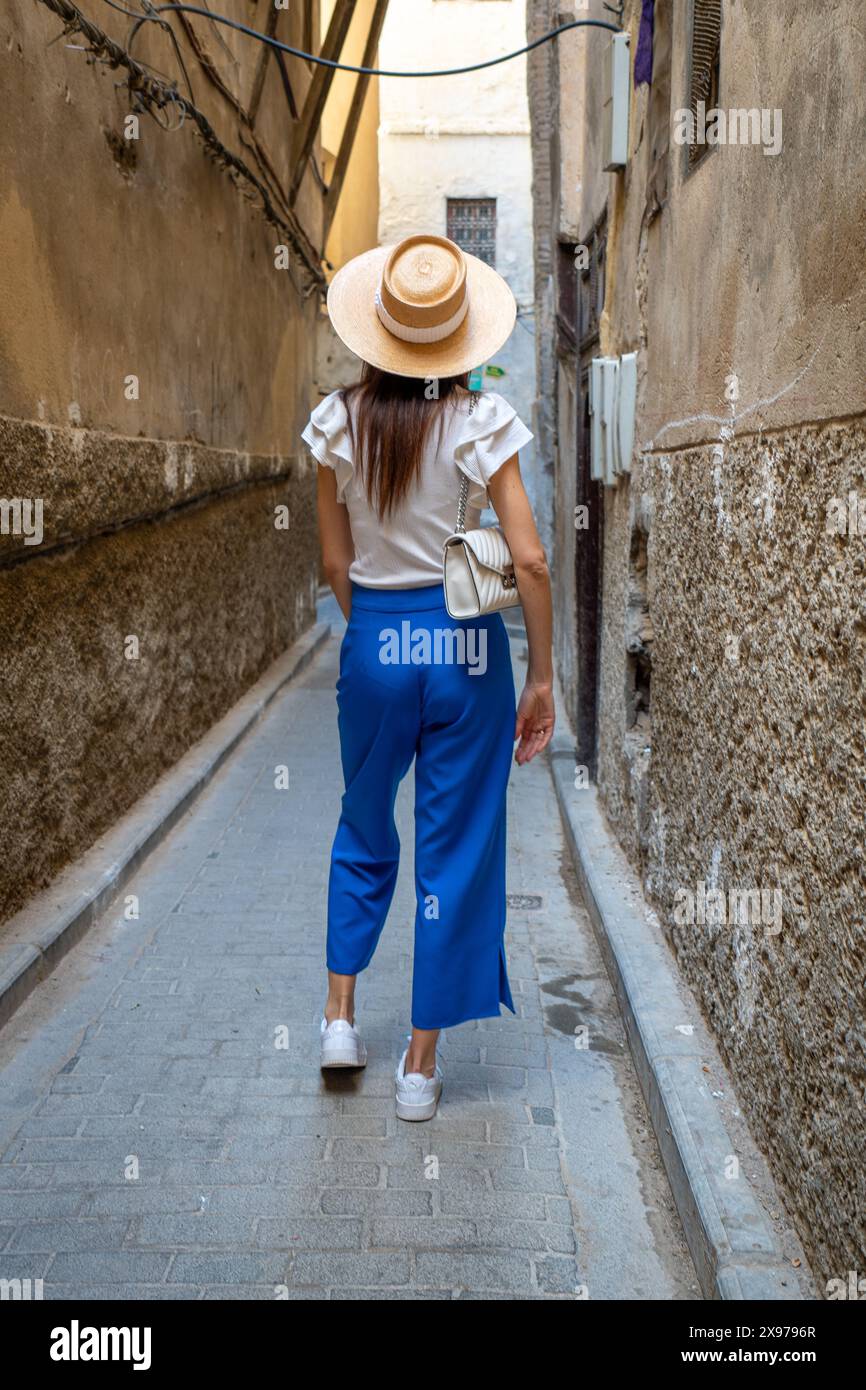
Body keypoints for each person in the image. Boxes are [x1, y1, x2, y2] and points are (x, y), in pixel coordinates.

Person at [301, 233, 554, 1121]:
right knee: (455, 847)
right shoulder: (482, 421)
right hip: (465, 649)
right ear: (456, 339)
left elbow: (335, 564)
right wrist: (543, 678)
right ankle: (418, 1067)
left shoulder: (337, 422)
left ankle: (338, 1020)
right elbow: (528, 560)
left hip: (374, 640)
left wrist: (375, 628)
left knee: (363, 826)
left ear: (379, 331)